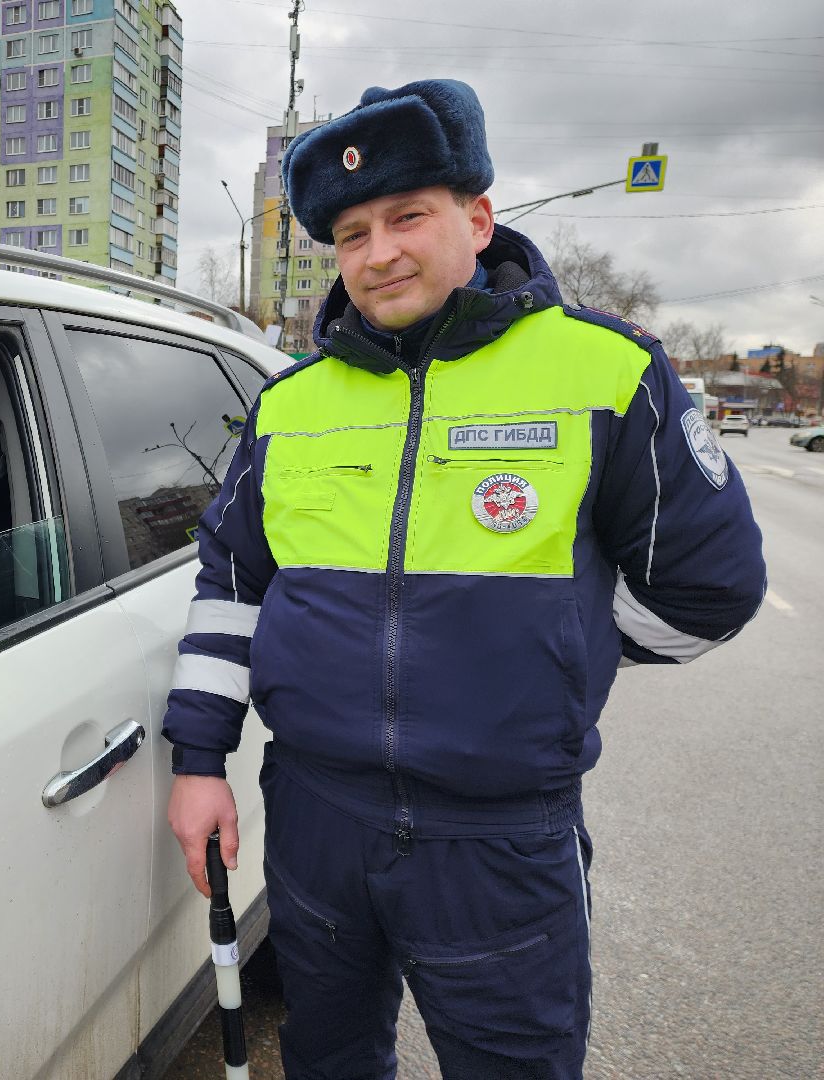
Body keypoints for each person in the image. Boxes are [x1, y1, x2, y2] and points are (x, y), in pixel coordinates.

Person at [163, 79, 765, 1079]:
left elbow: (710, 589)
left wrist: (554, 647)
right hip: (314, 819)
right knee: (326, 1056)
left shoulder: (605, 371)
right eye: (351, 233)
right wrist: (197, 764)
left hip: (498, 838)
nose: (379, 252)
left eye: (408, 217)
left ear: (478, 220)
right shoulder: (290, 404)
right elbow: (230, 589)